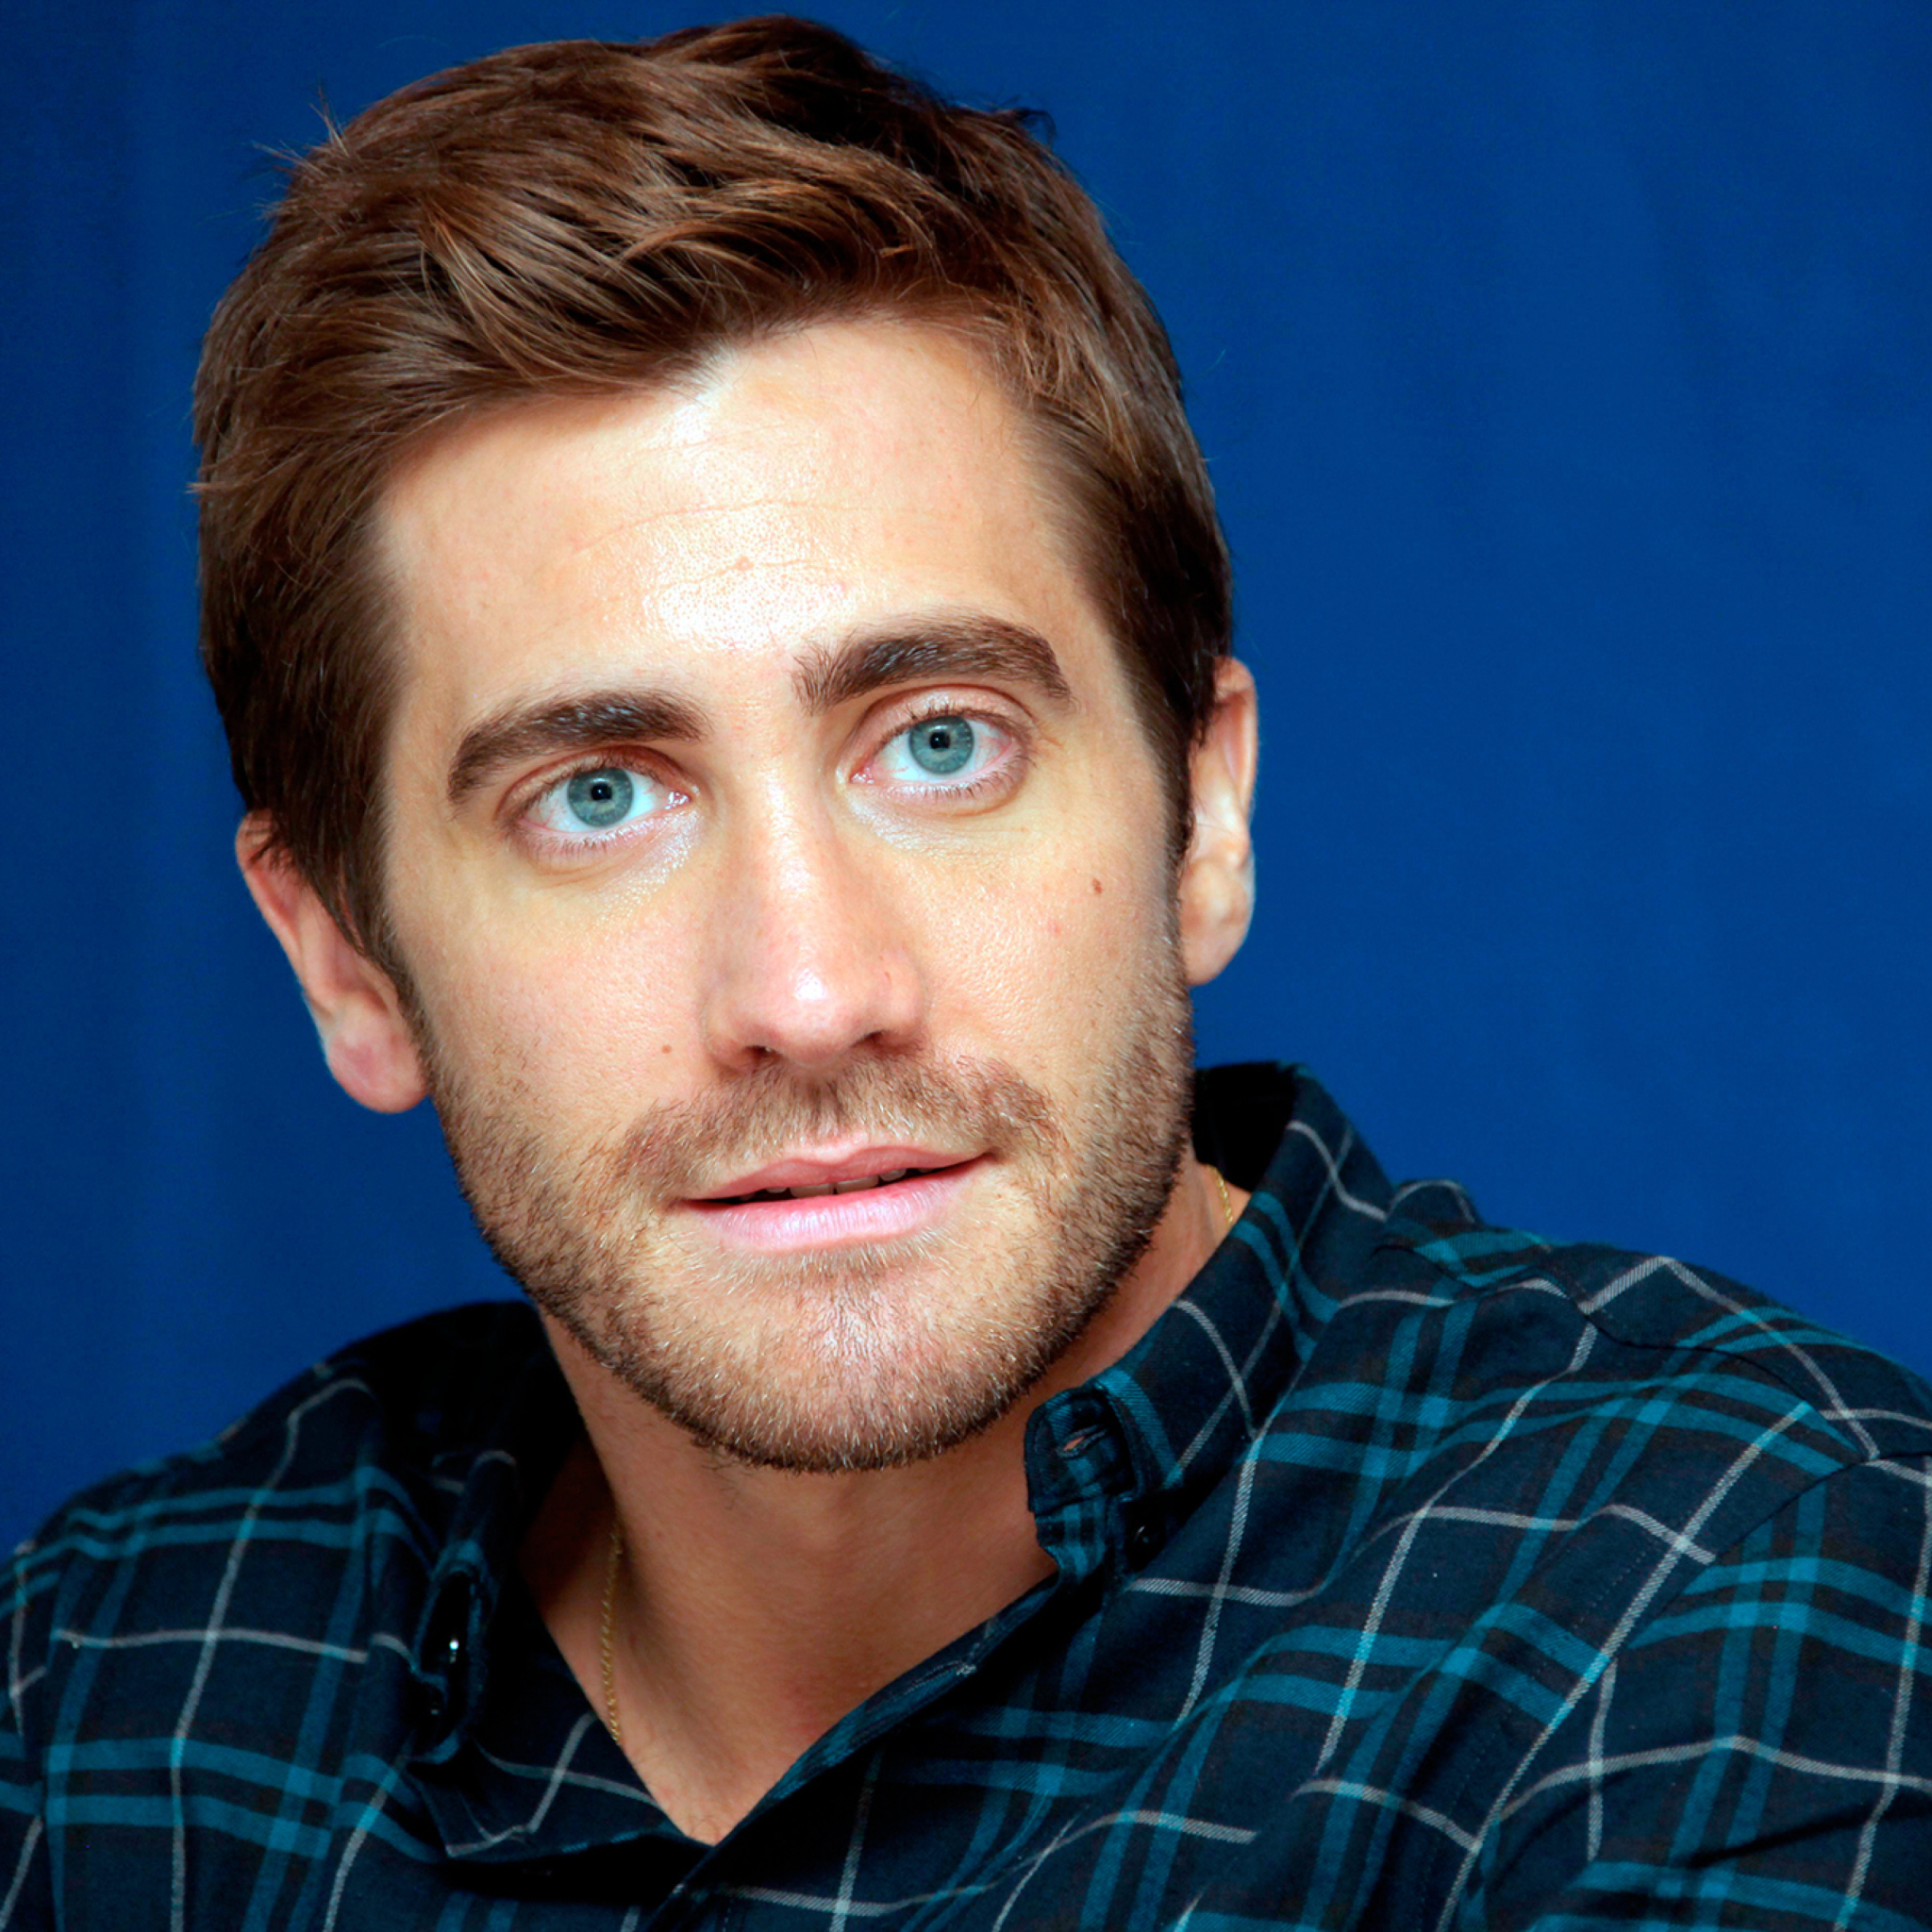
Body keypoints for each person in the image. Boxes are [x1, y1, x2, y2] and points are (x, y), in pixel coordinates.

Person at [6, 16, 1930, 1926]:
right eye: (599, 797)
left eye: (941, 743)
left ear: (1204, 815)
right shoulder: (106, 1703)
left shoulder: (1719, 1598)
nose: (811, 992)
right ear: (345, 959)